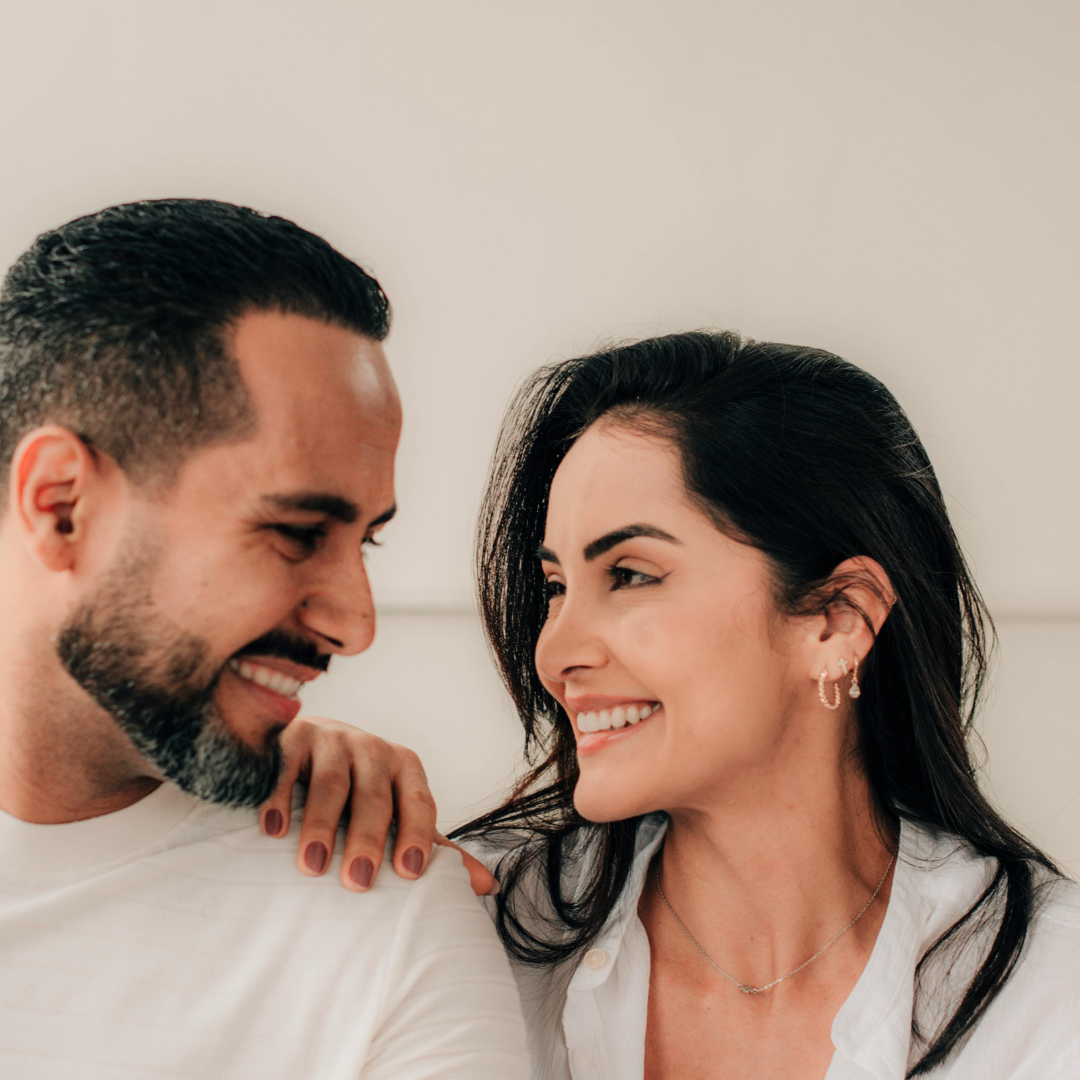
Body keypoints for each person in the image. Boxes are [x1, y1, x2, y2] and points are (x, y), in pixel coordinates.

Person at [284, 331, 1080, 1077]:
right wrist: (261, 800)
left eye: (630, 575)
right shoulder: (469, 930)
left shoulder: (1048, 989)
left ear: (838, 620)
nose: (554, 652)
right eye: (557, 587)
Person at [0, 199, 528, 1078]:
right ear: (62, 504)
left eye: (366, 541)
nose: (356, 627)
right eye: (295, 532)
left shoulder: (379, 916)